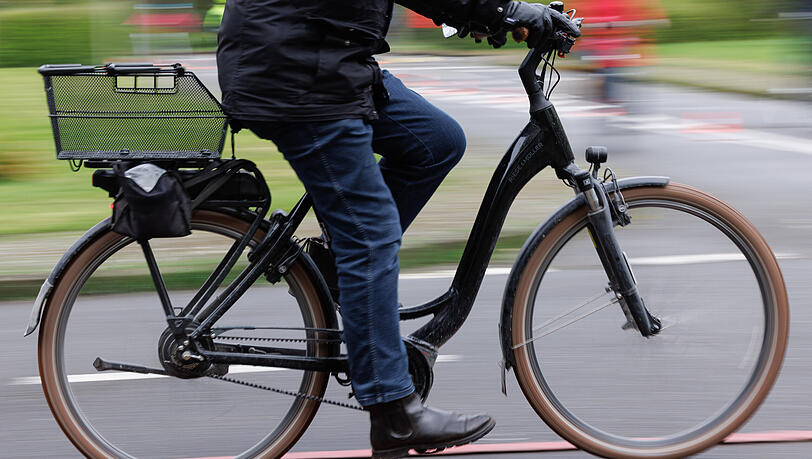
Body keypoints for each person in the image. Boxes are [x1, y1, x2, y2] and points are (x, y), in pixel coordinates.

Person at [216, 1, 579, 457]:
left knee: (436, 142)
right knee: (370, 236)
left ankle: (335, 265)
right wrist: (504, 10)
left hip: (323, 57)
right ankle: (395, 413)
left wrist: (490, 15)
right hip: (298, 73)